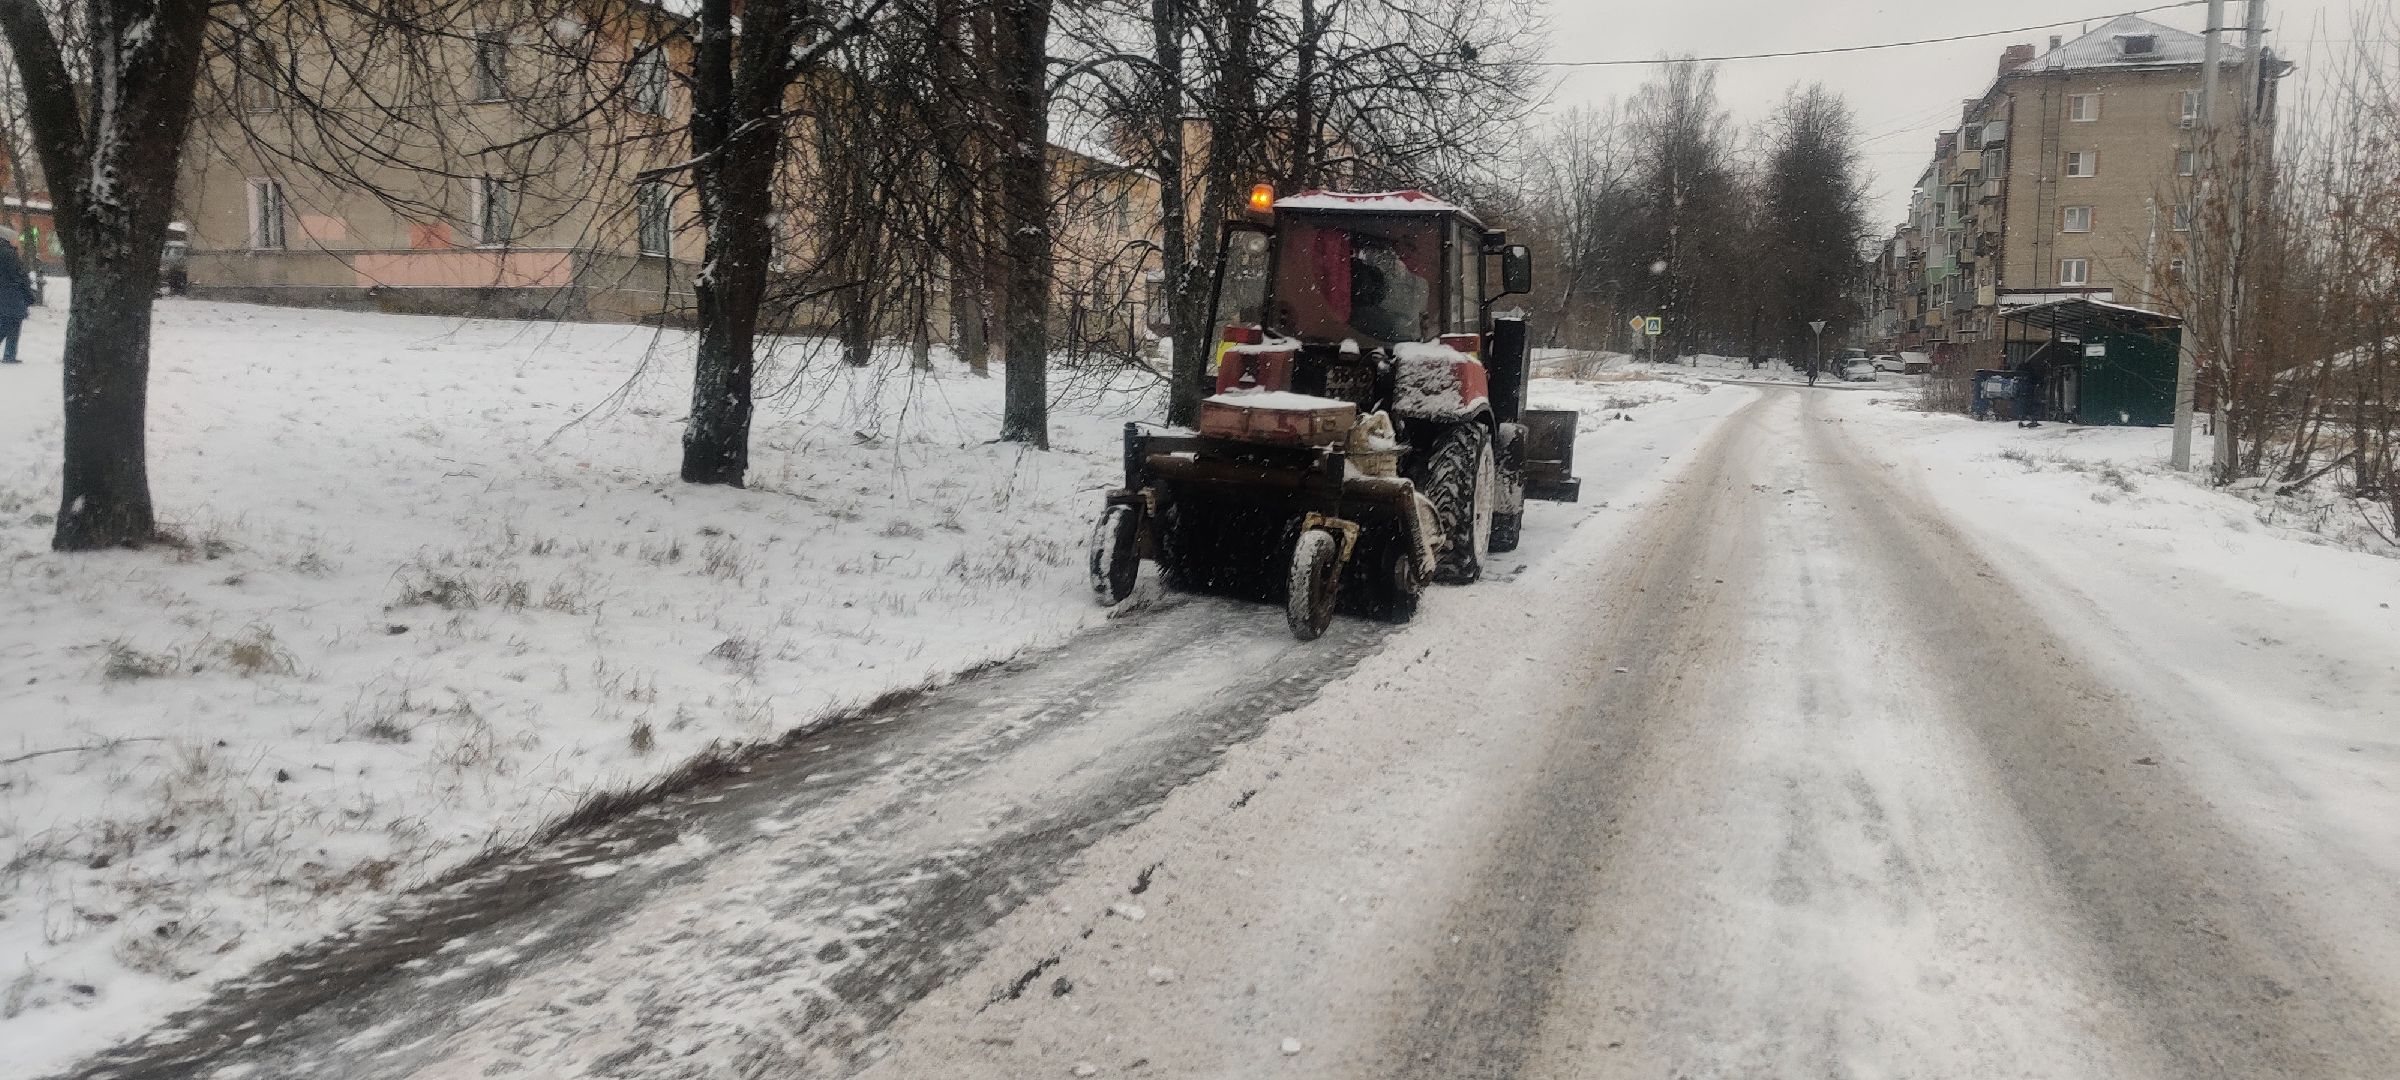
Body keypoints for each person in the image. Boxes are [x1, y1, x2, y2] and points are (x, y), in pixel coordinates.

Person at [0, 234, 29, 364]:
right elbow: (17, 273)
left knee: (6, 322)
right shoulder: (8, 253)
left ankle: (9, 354)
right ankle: (9, 354)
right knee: (12, 323)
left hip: (4, 292)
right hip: (11, 292)